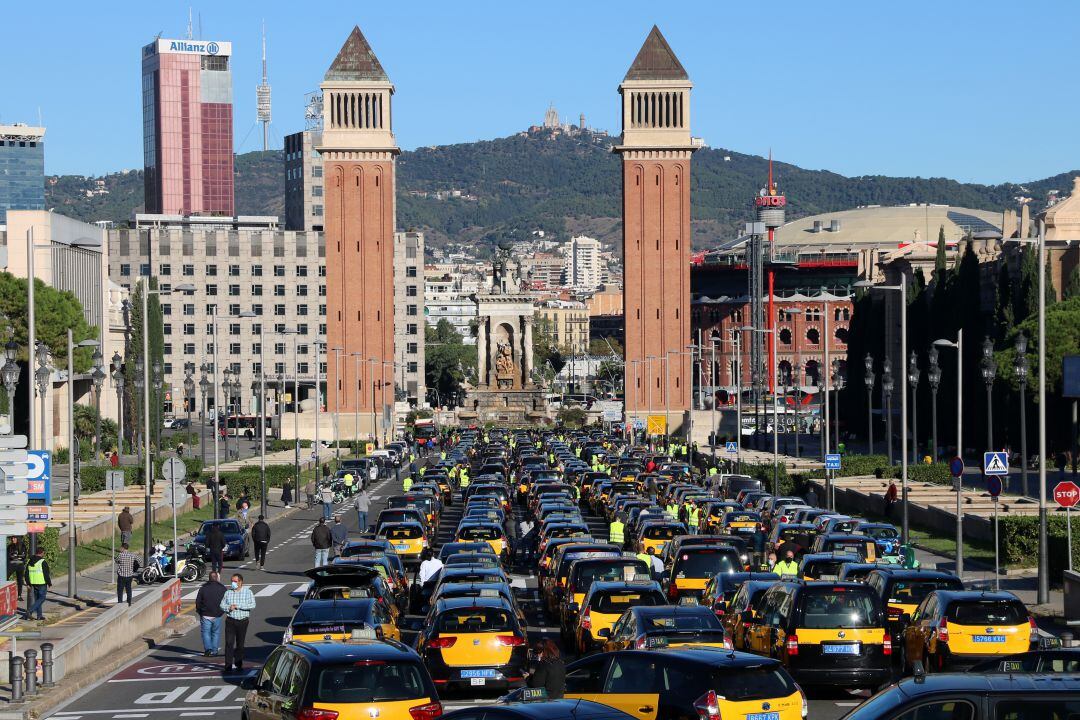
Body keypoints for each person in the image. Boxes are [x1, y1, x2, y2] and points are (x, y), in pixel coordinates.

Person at [220, 573, 256, 673]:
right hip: (230, 620)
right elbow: (221, 605)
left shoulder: (248, 592)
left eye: (235, 581)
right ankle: (228, 666)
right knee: (229, 643)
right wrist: (228, 608)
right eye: (232, 581)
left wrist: (238, 606)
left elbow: (252, 605)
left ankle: (238, 663)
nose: (233, 583)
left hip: (243, 621)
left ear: (240, 582)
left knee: (240, 644)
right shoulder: (228, 593)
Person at [195, 571, 227, 656]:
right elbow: (226, 601)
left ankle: (208, 649)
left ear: (209, 578)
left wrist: (200, 612)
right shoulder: (222, 588)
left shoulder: (203, 588)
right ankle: (215, 651)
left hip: (205, 614)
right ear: (216, 578)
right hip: (217, 614)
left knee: (206, 632)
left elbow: (198, 602)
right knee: (215, 633)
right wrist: (221, 612)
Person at [25, 551, 50, 621]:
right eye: (43, 553)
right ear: (42, 553)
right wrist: (49, 583)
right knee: (42, 598)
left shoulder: (29, 561)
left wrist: (28, 583)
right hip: (41, 583)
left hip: (33, 583)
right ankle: (30, 611)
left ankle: (39, 616)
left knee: (38, 599)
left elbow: (26, 573)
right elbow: (46, 573)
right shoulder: (42, 561)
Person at [7, 536, 27, 601]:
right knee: (5, 577)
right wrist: (16, 556)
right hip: (11, 565)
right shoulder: (10, 546)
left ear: (18, 539)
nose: (13, 539)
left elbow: (23, 556)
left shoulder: (22, 546)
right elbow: (9, 556)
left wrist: (15, 556)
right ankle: (7, 593)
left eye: (14, 538)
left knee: (20, 580)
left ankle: (19, 595)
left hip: (20, 565)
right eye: (12, 538)